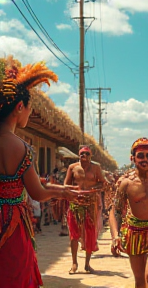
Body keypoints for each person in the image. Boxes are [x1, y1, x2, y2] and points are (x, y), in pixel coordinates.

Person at [0, 55, 78, 288]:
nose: (29, 114)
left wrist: (59, 187)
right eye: (29, 109)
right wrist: (62, 193)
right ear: (19, 107)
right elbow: (37, 193)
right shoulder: (23, 148)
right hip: (12, 226)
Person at [109, 137, 148, 288]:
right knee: (140, 281)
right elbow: (115, 210)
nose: (145, 159)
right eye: (141, 155)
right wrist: (115, 235)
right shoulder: (126, 183)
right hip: (134, 231)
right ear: (132, 158)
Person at [64, 145, 107, 274]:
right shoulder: (72, 168)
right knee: (73, 235)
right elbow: (66, 184)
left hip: (90, 204)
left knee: (90, 233)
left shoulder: (96, 167)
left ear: (90, 155)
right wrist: (74, 191)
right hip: (76, 203)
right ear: (79, 155)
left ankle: (87, 264)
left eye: (87, 154)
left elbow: (102, 182)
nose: (84, 157)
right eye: (82, 154)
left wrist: (94, 189)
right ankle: (74, 263)